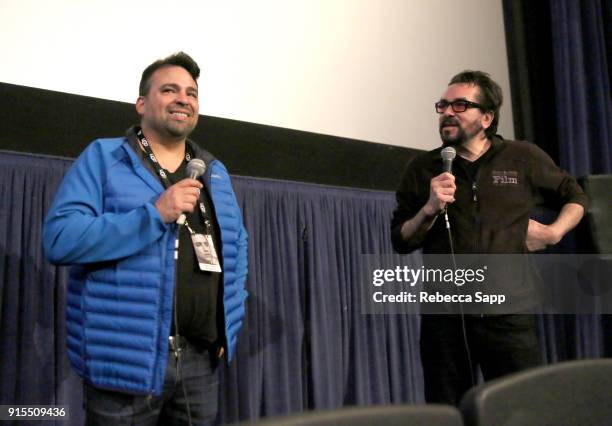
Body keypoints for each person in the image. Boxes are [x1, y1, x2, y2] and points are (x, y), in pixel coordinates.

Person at [43, 52, 248, 425]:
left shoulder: (214, 172)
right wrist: (153, 215)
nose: (183, 98)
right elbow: (60, 238)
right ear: (141, 103)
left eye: (191, 93)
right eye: (169, 90)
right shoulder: (104, 158)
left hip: (200, 365)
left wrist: (224, 326)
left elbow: (237, 248)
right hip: (126, 364)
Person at [390, 70, 587, 405]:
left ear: (487, 117)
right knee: (448, 412)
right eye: (443, 105)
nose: (448, 112)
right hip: (446, 321)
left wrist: (554, 233)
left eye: (460, 105)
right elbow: (401, 240)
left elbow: (576, 196)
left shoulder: (522, 157)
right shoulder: (424, 168)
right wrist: (429, 208)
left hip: (509, 316)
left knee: (522, 409)